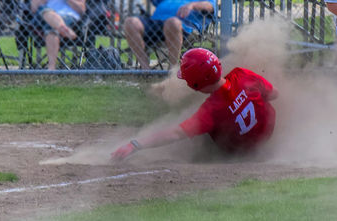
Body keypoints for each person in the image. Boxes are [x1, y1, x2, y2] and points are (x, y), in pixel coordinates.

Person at [111, 48, 278, 161]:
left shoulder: (210, 110)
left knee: (202, 132)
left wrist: (134, 145)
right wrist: (242, 101)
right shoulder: (242, 74)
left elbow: (175, 133)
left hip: (241, 154)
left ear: (195, 84)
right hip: (269, 134)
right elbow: (274, 94)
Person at [124, 0, 216, 70]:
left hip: (183, 27)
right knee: (130, 22)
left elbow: (210, 6)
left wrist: (192, 5)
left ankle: (173, 69)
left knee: (172, 22)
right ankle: (145, 67)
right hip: (155, 24)